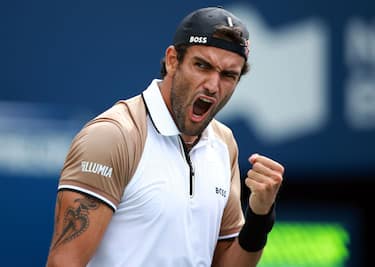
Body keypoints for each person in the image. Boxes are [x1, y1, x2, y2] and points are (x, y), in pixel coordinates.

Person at [46, 6, 284, 267]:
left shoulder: (224, 143)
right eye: (202, 65)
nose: (213, 86)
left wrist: (260, 218)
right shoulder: (113, 136)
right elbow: (64, 262)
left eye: (228, 75)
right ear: (172, 60)